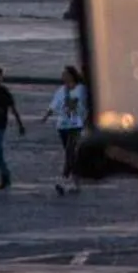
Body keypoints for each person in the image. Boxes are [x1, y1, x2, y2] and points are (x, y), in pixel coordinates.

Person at [45, 64, 86, 193]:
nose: (63, 76)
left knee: (69, 152)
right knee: (71, 156)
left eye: (65, 74)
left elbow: (89, 104)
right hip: (62, 126)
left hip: (76, 126)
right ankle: (76, 183)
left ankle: (63, 181)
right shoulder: (61, 90)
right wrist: (46, 116)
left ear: (71, 76)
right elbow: (54, 105)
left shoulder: (81, 89)